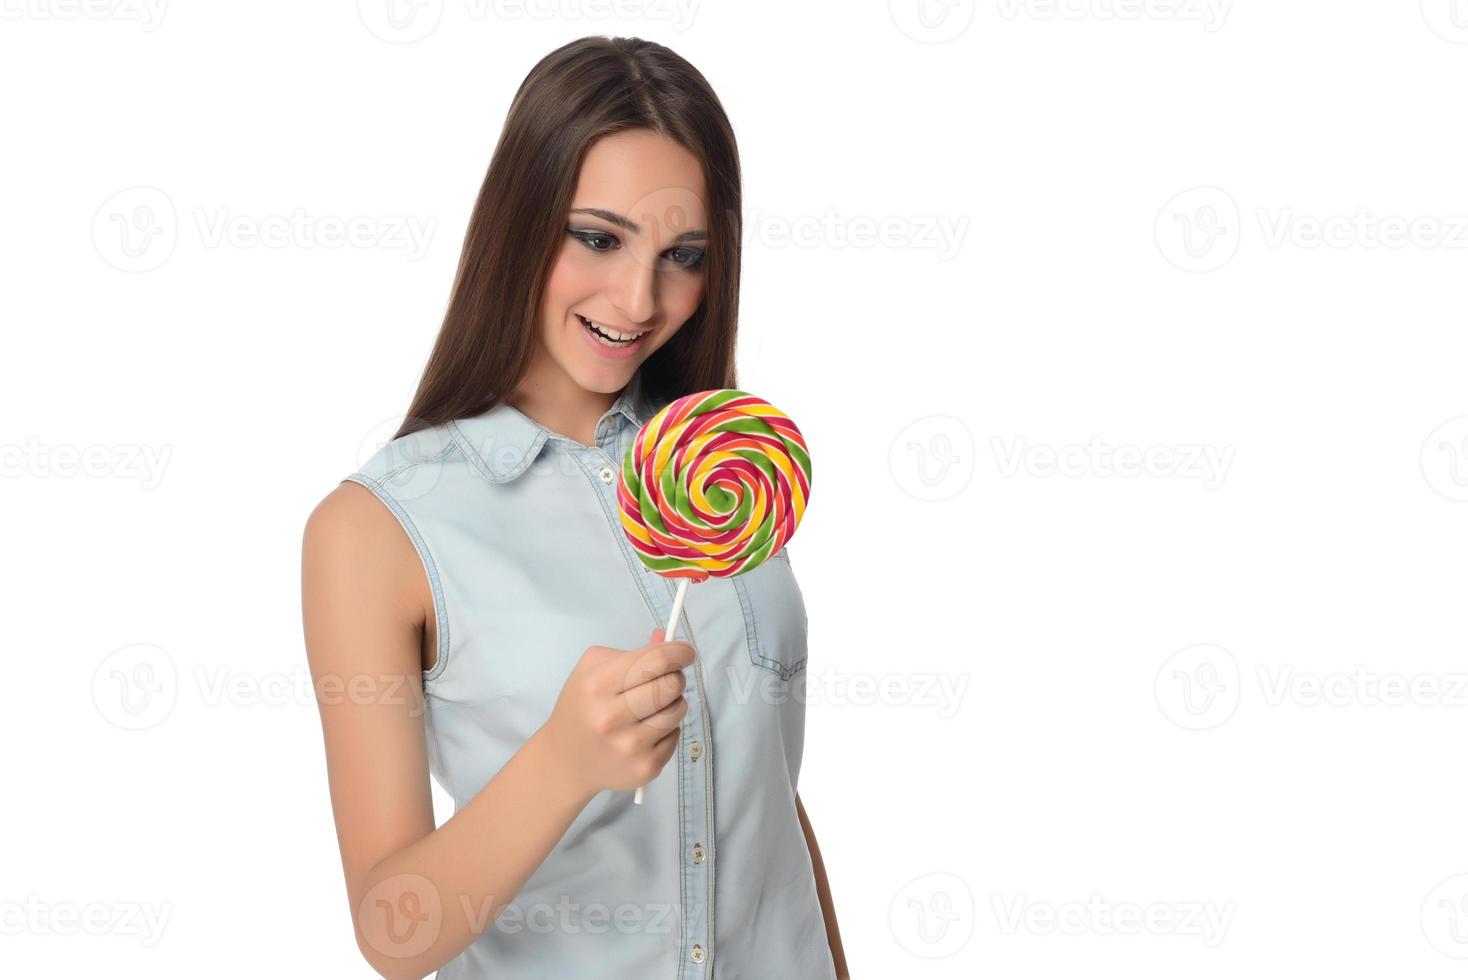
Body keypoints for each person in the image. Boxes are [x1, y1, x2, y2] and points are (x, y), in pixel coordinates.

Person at [300, 35, 848, 979]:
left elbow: (774, 811)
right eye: (598, 237)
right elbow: (392, 932)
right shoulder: (377, 530)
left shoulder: (720, 474)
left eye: (683, 255)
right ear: (521, 223)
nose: (640, 298)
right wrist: (561, 764)